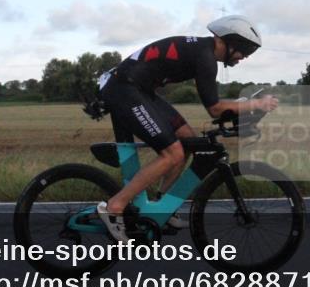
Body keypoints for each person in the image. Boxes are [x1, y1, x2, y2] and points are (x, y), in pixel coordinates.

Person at [96, 15, 279, 241]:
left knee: (189, 140)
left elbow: (217, 105)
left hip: (140, 90)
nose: (242, 58)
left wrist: (244, 106)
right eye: (243, 51)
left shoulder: (204, 51)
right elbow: (214, 109)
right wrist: (256, 104)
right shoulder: (205, 57)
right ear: (228, 41)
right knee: (173, 153)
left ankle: (163, 205)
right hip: (124, 89)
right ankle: (115, 206)